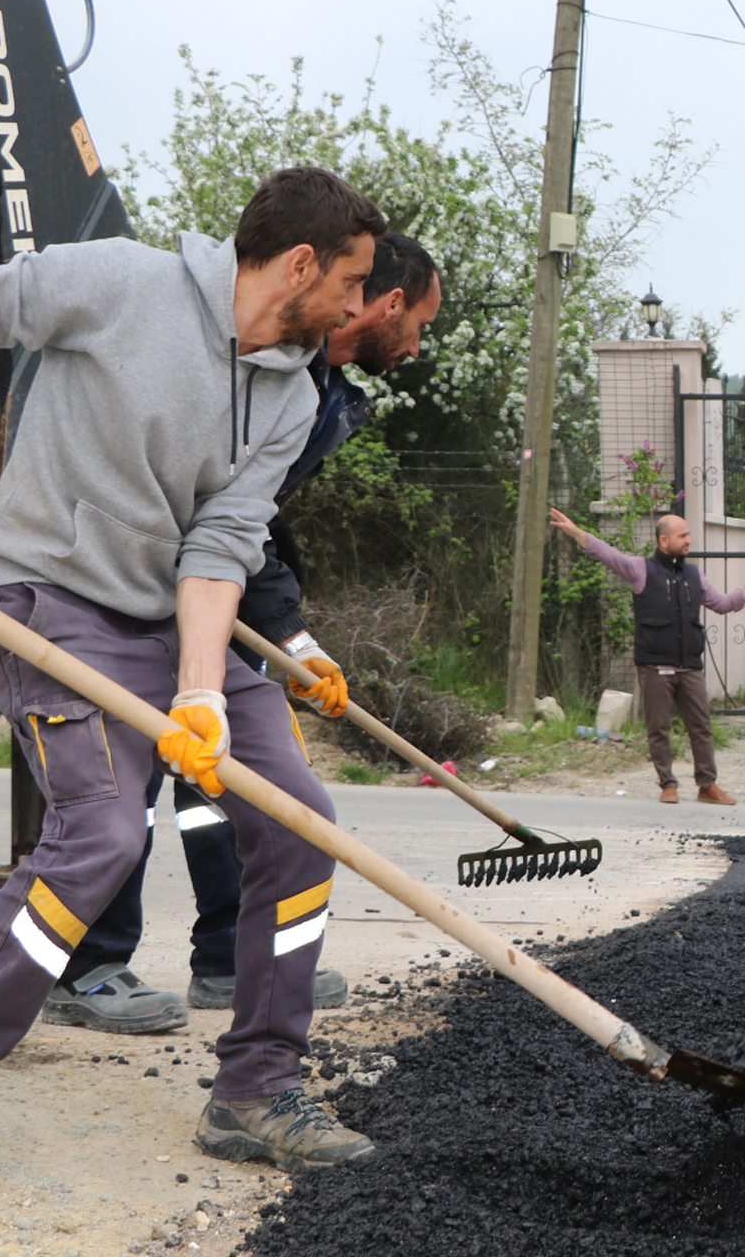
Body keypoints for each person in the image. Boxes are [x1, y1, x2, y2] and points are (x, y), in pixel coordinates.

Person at [0, 167, 388, 1197]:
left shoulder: (291, 392)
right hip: (52, 599)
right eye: (351, 282)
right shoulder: (122, 284)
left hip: (174, 615)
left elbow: (221, 544)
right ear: (300, 263)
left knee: (300, 822)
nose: (354, 308)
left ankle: (257, 1082)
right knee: (102, 836)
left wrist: (202, 692)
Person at [41, 234, 443, 1035]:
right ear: (387, 303)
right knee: (120, 785)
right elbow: (203, 504)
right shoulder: (260, 360)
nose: (417, 342)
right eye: (420, 322)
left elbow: (243, 523)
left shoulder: (316, 391)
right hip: (115, 581)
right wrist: (285, 630)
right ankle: (83, 967)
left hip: (212, 583)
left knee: (228, 775)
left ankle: (227, 955)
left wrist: (292, 640)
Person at [547, 509, 745, 805]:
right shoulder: (641, 569)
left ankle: (707, 786)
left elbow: (721, 604)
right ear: (664, 540)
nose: (689, 540)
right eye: (682, 535)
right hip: (654, 664)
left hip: (689, 665)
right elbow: (608, 555)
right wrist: (576, 533)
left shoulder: (694, 574)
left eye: (688, 534)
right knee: (658, 727)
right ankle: (668, 785)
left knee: (701, 727)